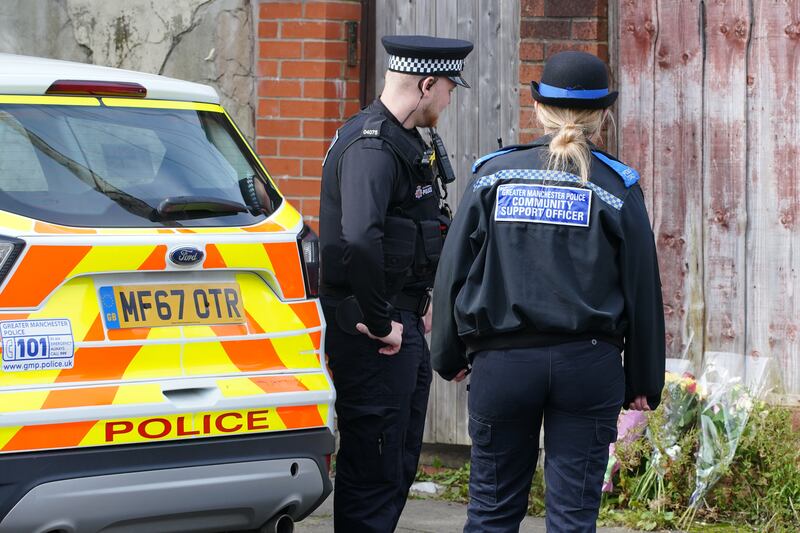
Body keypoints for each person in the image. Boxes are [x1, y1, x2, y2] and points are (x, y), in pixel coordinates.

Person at [431, 50, 666, 533]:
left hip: (503, 365)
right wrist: (644, 379)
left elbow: (452, 270)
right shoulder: (618, 187)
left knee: (492, 512)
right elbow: (642, 287)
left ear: (538, 107)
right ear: (604, 115)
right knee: (573, 519)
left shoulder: (492, 175)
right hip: (588, 365)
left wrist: (448, 352)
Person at [318, 35, 473, 532]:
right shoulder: (372, 146)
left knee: (396, 464)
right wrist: (381, 319)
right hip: (375, 336)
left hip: (399, 323)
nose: (449, 100)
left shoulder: (401, 141)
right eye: (449, 88)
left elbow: (407, 232)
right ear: (427, 83)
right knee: (374, 469)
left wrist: (421, 298)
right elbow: (360, 239)